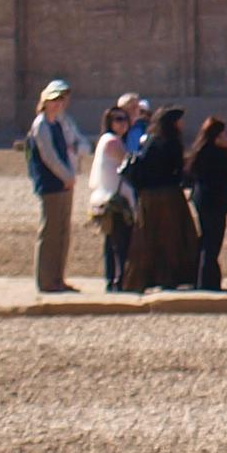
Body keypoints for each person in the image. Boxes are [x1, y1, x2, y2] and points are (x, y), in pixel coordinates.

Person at [126, 103, 194, 294]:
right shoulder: (171, 142)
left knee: (149, 237)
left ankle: (144, 278)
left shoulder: (150, 140)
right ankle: (169, 277)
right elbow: (177, 170)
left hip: (149, 195)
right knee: (171, 238)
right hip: (168, 195)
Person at [25, 78, 84, 294]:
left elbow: (69, 149)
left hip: (64, 183)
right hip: (52, 184)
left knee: (63, 232)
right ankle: (46, 279)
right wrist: (66, 176)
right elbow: (49, 157)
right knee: (50, 232)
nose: (58, 104)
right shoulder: (41, 125)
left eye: (61, 99)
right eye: (54, 100)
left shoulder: (58, 123)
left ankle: (59, 277)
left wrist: (69, 176)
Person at [85, 98, 137, 293]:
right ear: (109, 121)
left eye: (124, 119)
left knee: (112, 243)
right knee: (119, 243)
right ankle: (118, 281)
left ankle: (113, 281)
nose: (122, 123)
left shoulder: (108, 140)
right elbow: (127, 163)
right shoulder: (112, 141)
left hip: (109, 197)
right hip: (114, 200)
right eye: (117, 119)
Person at [186, 114, 227, 291]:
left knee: (207, 240)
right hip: (213, 202)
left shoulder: (202, 150)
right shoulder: (213, 154)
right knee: (212, 242)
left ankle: (203, 279)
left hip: (205, 201)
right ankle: (207, 282)